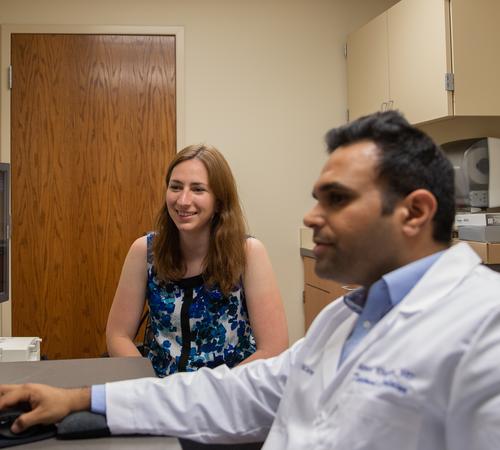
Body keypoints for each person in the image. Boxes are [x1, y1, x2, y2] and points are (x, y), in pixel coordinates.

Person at [2, 111, 500, 450]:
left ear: (414, 212)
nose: (310, 217)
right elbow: (234, 393)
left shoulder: (484, 327)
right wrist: (82, 398)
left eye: (336, 199)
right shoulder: (344, 321)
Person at [105, 144, 288, 377]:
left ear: (219, 200)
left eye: (198, 189)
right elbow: (117, 335)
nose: (183, 200)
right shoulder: (145, 251)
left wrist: (207, 394)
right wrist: (151, 388)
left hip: (228, 392)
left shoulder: (249, 254)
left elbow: (273, 349)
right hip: (159, 391)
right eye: (176, 187)